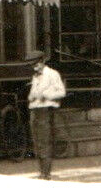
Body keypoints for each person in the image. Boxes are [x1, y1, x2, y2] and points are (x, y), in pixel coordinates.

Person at [26, 50, 66, 180]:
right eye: (32, 65)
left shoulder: (52, 74)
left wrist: (45, 95)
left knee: (45, 141)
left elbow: (61, 92)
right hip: (35, 110)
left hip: (46, 110)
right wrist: (31, 96)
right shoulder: (35, 76)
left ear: (43, 61)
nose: (34, 67)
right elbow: (33, 92)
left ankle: (46, 173)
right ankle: (42, 171)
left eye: (36, 64)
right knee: (36, 141)